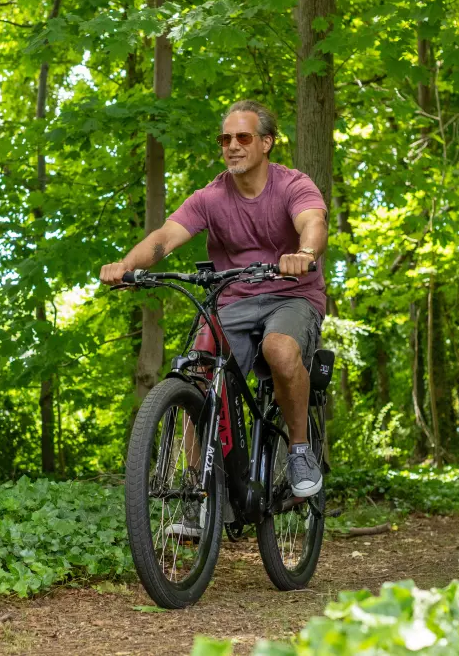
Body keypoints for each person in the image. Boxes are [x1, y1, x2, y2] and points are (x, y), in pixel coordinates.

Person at [100, 99, 329, 503]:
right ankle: (196, 494)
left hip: (291, 296)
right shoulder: (211, 196)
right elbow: (165, 238)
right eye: (225, 138)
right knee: (199, 378)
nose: (232, 145)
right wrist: (126, 266)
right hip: (234, 300)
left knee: (279, 347)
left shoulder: (293, 184)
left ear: (266, 143)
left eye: (243, 137)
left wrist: (305, 255)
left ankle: (298, 450)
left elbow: (312, 222)